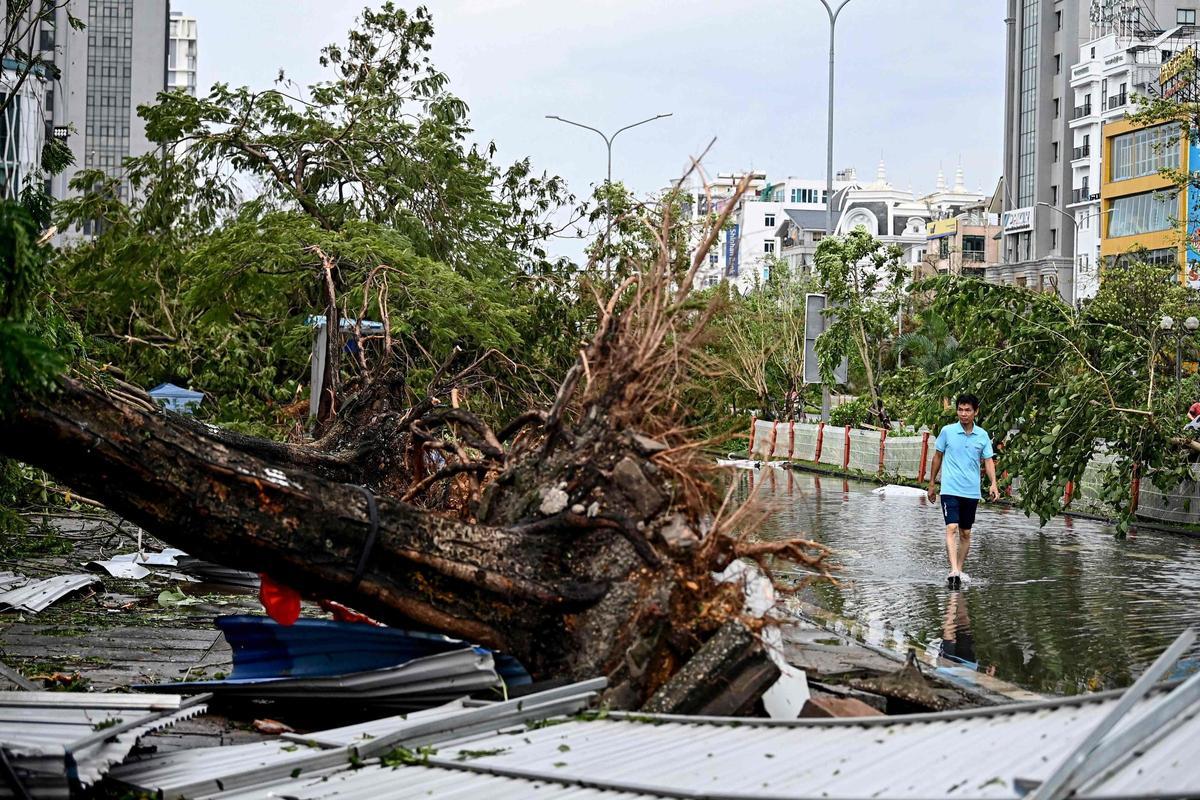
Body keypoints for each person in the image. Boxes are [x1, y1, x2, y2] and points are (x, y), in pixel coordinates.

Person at [926, 393, 1000, 588]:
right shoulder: (947, 432)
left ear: (976, 412)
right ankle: (953, 570)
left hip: (971, 491)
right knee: (951, 527)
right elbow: (937, 457)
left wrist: (993, 484)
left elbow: (989, 461)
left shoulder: (982, 435)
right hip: (950, 488)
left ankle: (958, 568)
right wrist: (932, 483)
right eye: (960, 409)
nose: (963, 414)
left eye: (968, 410)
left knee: (965, 533)